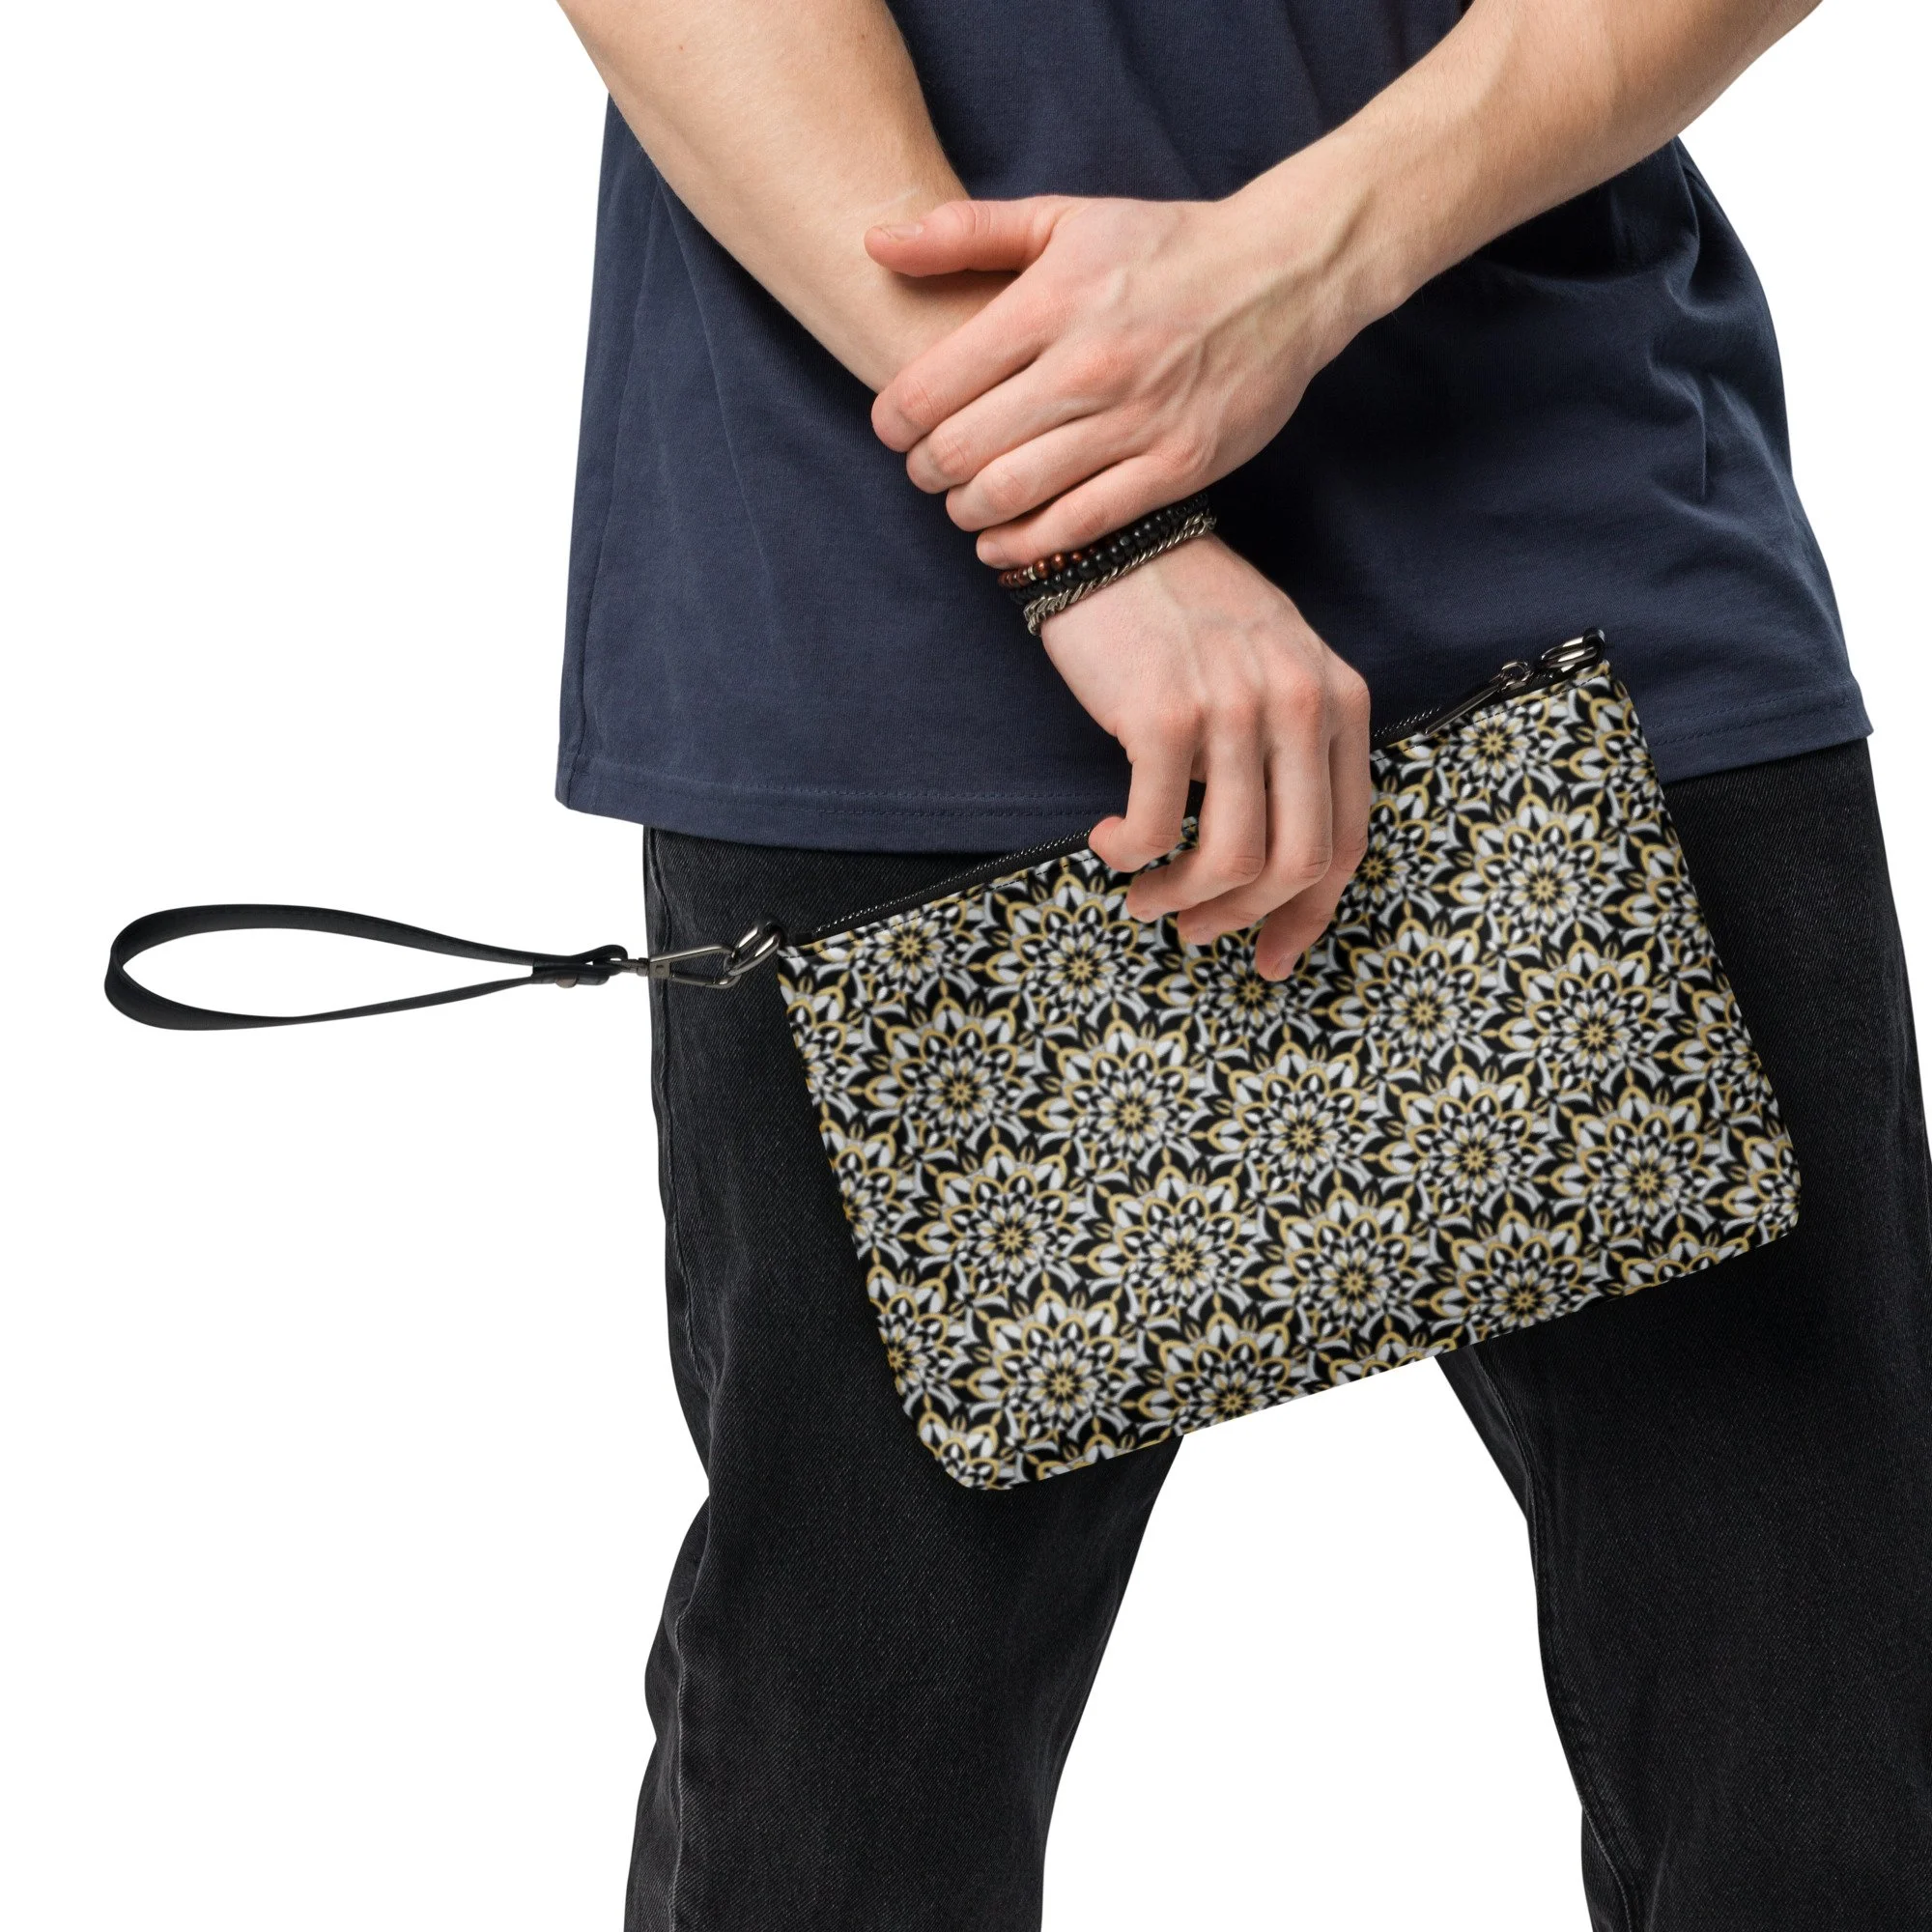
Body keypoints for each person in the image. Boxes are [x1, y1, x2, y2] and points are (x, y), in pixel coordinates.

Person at [550, 1, 1932, 1925]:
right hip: (886, 551)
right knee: (852, 1776)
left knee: (1833, 1755)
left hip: (1566, 525)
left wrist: (1294, 265)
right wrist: (1082, 533)